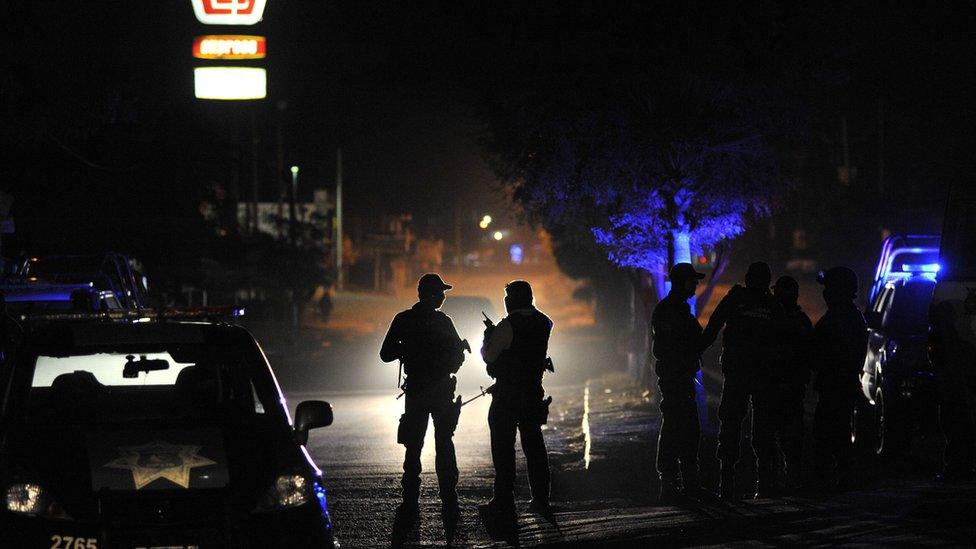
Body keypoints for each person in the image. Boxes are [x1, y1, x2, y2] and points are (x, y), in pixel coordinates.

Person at [380, 273, 466, 524]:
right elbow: (457, 356)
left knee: (413, 446)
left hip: (417, 389)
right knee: (444, 444)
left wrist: (408, 347)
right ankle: (449, 499)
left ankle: (410, 501)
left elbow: (386, 354)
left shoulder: (404, 319)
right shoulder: (443, 321)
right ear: (432, 294)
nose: (443, 297)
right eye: (440, 292)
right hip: (440, 390)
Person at [700, 261, 781, 499]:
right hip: (753, 375)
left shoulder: (740, 299)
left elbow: (713, 327)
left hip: (744, 374)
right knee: (751, 428)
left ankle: (733, 483)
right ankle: (757, 484)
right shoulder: (770, 304)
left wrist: (695, 350)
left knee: (736, 426)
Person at [482, 280, 553, 518]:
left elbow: (490, 357)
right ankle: (541, 499)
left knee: (503, 449)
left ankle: (503, 499)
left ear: (510, 301)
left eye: (507, 297)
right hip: (533, 392)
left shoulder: (507, 325)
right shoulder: (544, 322)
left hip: (508, 395)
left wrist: (488, 339)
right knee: (534, 448)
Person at [651, 263, 706, 503]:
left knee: (687, 429)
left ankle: (686, 484)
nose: (696, 285)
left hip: (680, 377)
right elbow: (678, 345)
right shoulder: (670, 311)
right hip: (675, 379)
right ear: (683, 282)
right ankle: (671, 485)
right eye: (693, 281)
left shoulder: (678, 309)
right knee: (676, 427)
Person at [809, 266, 868, 490]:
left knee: (829, 435)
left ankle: (830, 482)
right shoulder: (850, 318)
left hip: (835, 387)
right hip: (841, 386)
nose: (824, 293)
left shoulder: (839, 320)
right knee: (838, 434)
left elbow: (820, 355)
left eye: (828, 289)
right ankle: (840, 479)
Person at [770, 275, 813, 492]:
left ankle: (781, 480)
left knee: (778, 435)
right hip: (789, 388)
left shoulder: (773, 319)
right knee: (790, 435)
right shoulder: (801, 321)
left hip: (779, 388)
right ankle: (790, 477)